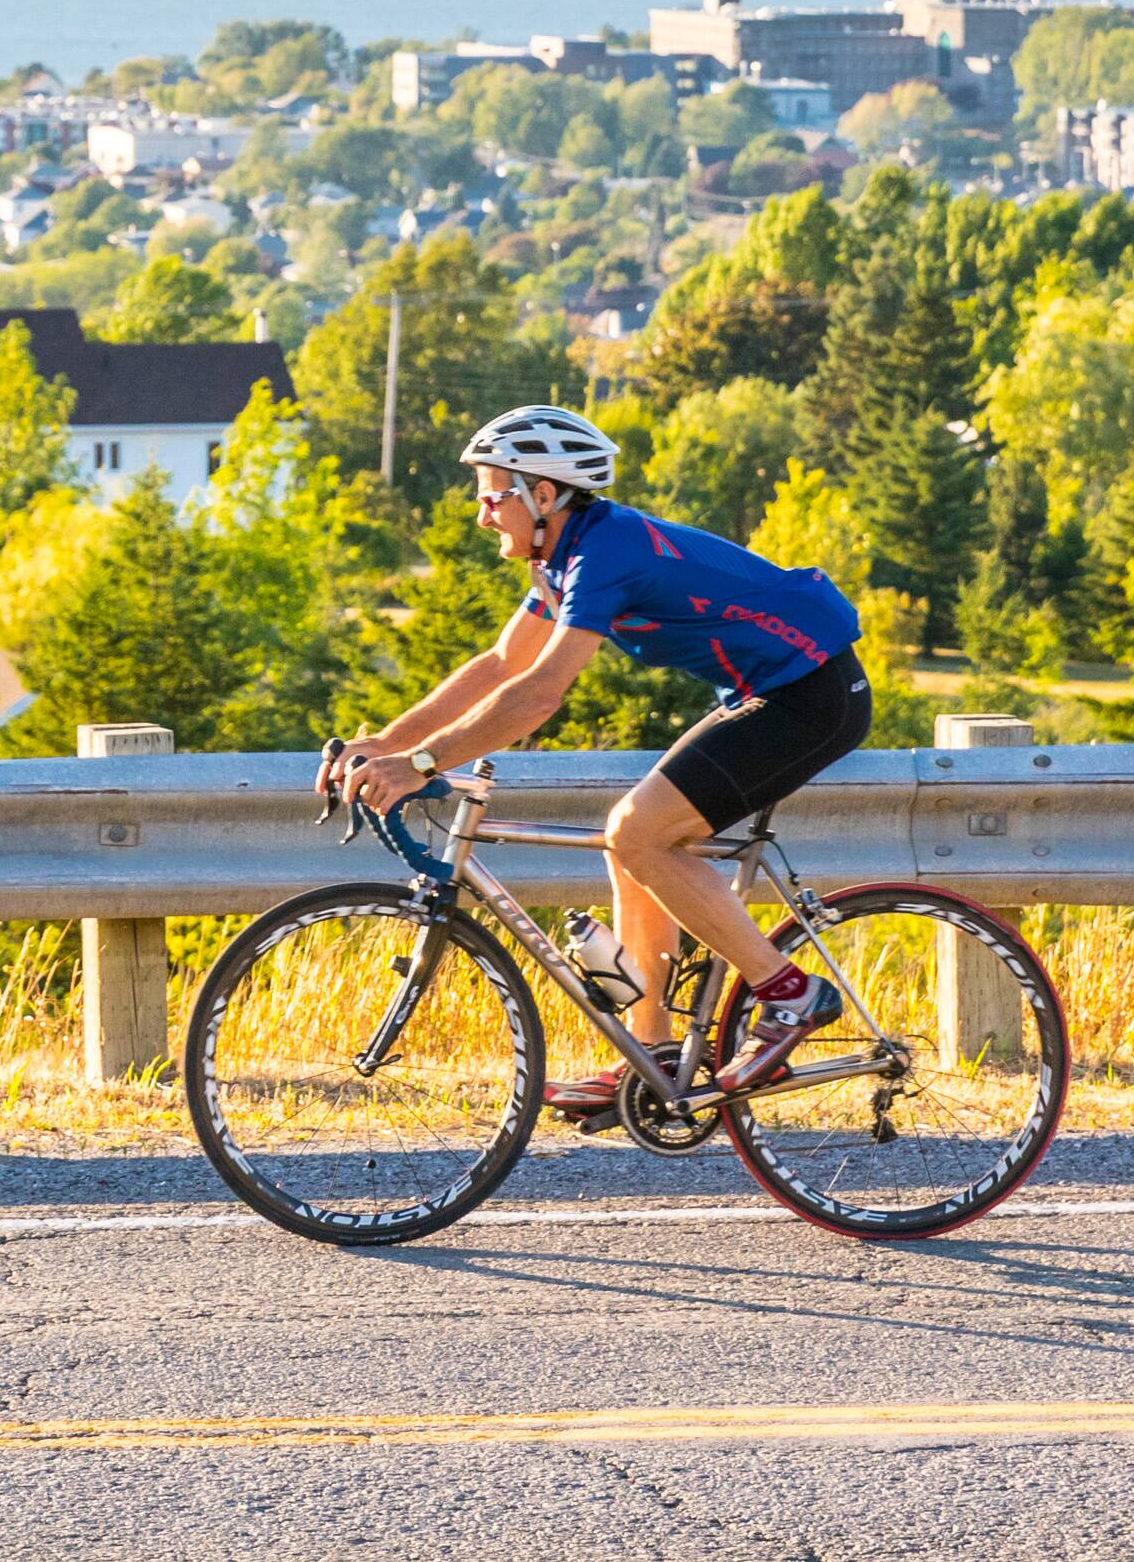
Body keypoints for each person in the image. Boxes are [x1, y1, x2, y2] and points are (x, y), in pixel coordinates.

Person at [336, 405, 874, 1119]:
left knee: (636, 831)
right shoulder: (561, 558)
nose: (481, 513)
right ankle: (650, 1056)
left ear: (544, 495)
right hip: (769, 687)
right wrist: (385, 745)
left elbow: (538, 693)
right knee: (630, 846)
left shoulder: (603, 555)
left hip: (810, 690)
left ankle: (790, 995)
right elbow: (501, 663)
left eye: (492, 493)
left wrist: (424, 761)